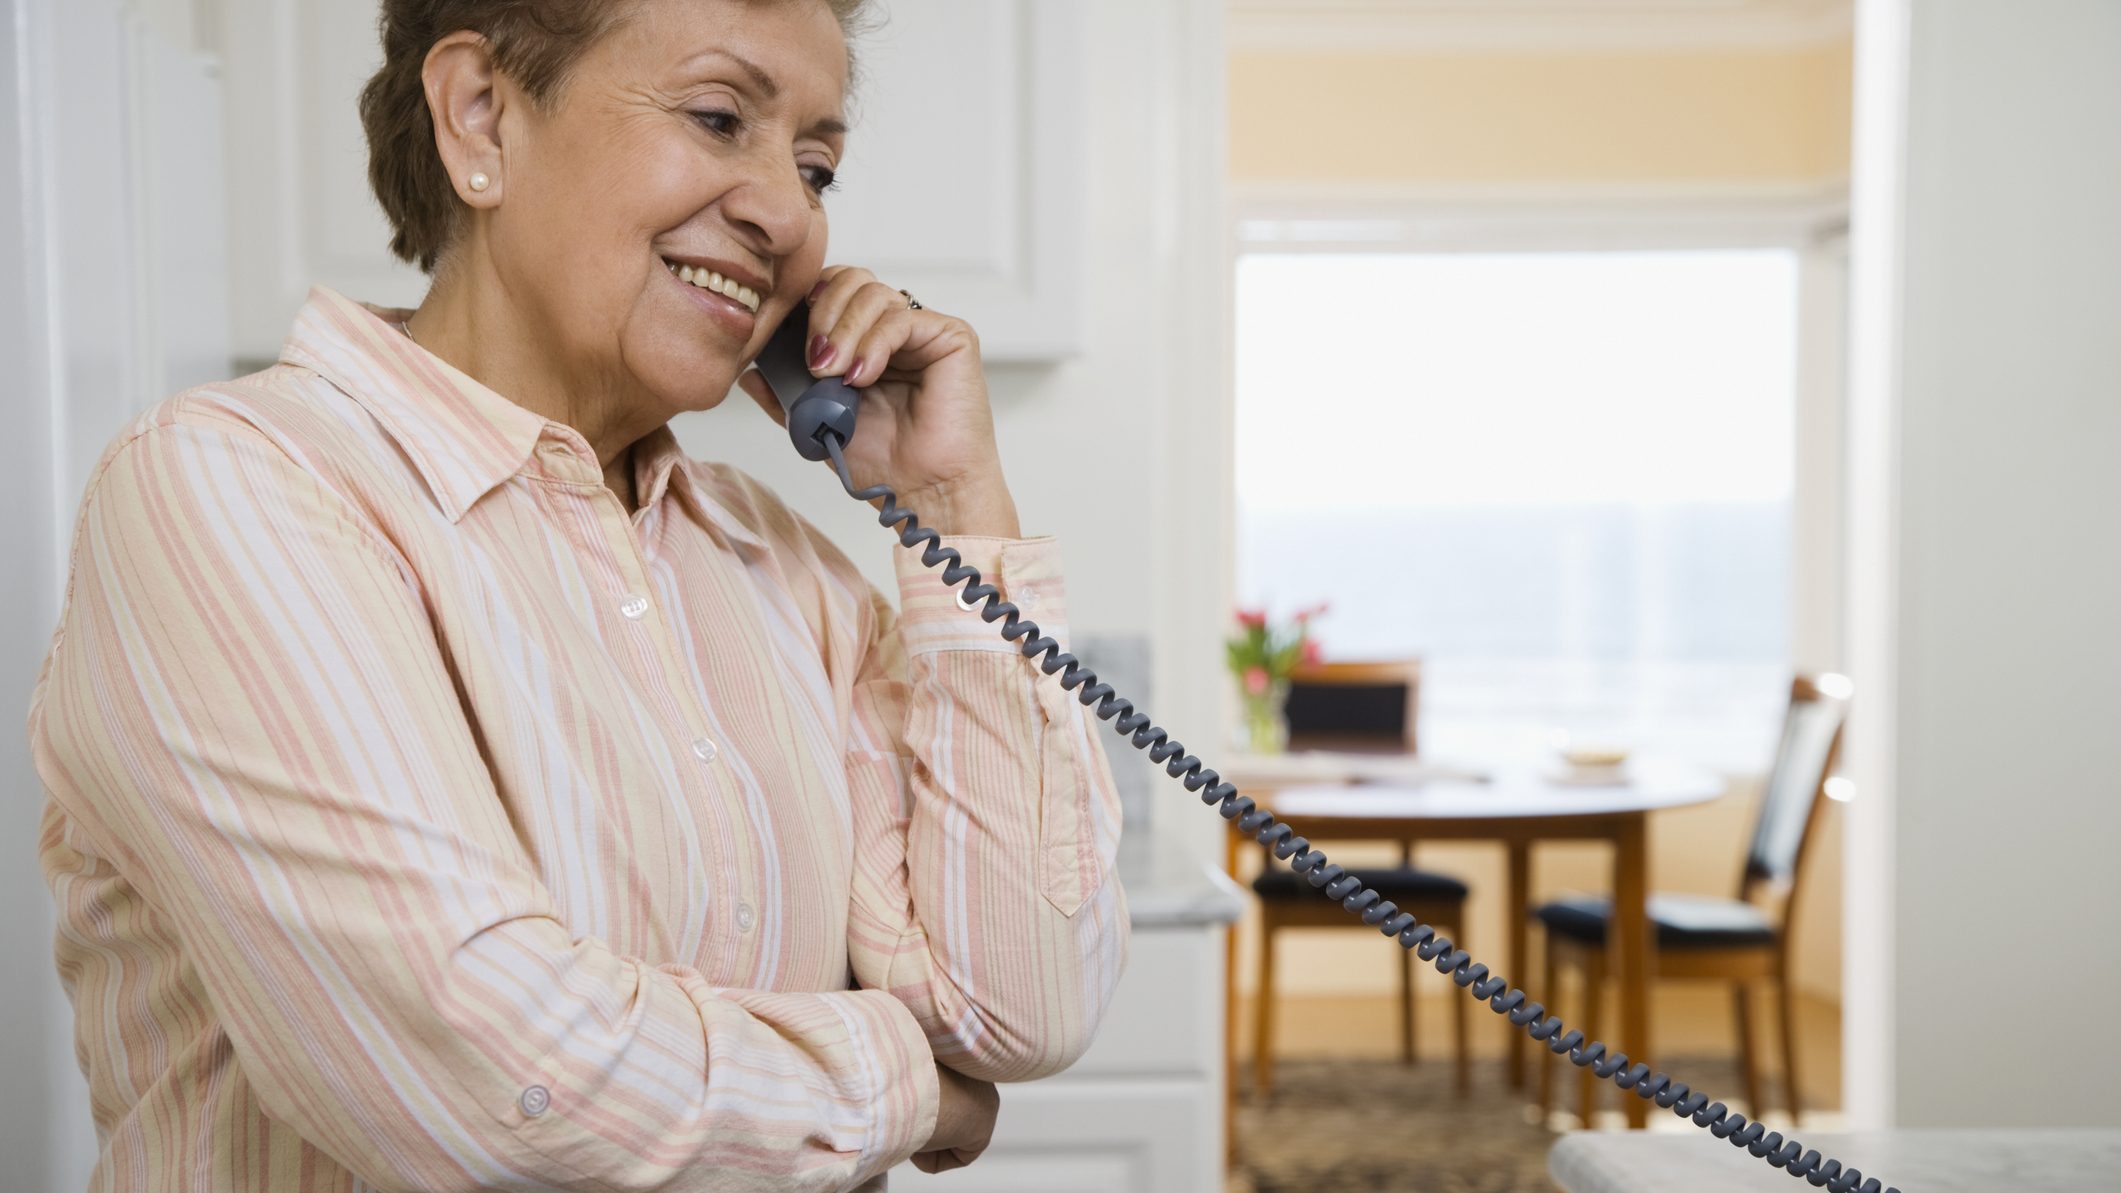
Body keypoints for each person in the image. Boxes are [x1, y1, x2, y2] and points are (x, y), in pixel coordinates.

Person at [27, 1, 1128, 1188]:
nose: (787, 215)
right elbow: (491, 1076)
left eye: (816, 167)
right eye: (719, 118)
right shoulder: (233, 486)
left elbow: (1022, 1004)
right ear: (481, 115)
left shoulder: (785, 569)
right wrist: (906, 1084)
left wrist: (957, 503)